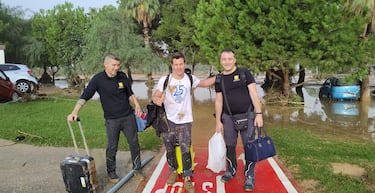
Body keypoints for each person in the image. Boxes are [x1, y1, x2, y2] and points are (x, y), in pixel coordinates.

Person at [67, 54, 144, 184]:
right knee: (112, 147)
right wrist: (74, 111)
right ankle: (111, 172)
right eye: (114, 65)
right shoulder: (98, 80)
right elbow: (85, 96)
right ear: (106, 64)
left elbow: (130, 93)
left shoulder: (122, 76)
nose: (116, 68)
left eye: (118, 65)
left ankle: (137, 169)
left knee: (134, 144)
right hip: (112, 120)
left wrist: (137, 105)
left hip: (128, 117)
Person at [152, 51, 215, 193]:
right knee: (170, 149)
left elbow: (205, 83)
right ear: (172, 65)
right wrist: (157, 100)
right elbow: (156, 94)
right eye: (176, 64)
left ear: (184, 64)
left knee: (185, 149)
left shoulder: (189, 78)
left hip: (185, 121)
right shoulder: (165, 80)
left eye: (181, 64)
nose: (179, 67)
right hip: (168, 121)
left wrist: (220, 77)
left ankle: (187, 178)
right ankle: (173, 171)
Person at [214, 48, 263, 191]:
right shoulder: (219, 79)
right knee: (230, 146)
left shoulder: (244, 73)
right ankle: (231, 170)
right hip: (228, 118)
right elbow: (218, 101)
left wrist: (259, 114)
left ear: (234, 60)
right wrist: (218, 121)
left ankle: (249, 175)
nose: (227, 62)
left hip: (247, 116)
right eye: (224, 59)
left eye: (230, 59)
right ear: (221, 61)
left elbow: (254, 94)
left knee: (250, 146)